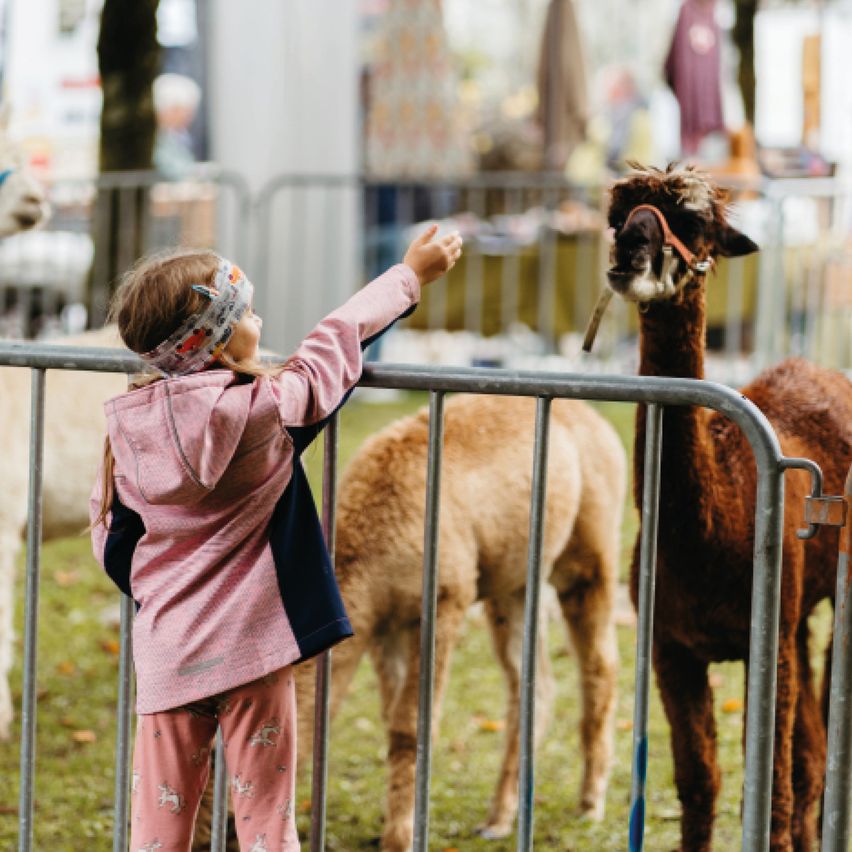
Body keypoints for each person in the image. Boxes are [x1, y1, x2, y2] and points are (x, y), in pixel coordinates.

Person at [89, 226, 462, 850]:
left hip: (168, 658)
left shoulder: (125, 431)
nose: (260, 316)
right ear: (216, 336)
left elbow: (112, 540)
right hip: (253, 656)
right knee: (266, 822)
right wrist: (410, 275)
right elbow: (334, 343)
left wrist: (163, 596)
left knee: (159, 830)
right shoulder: (266, 412)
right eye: (248, 310)